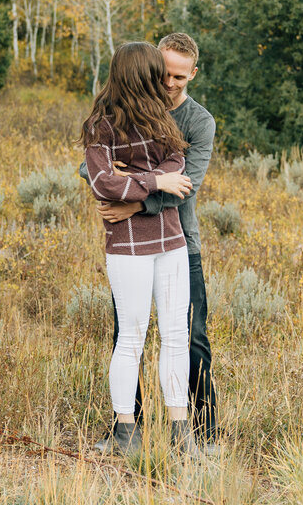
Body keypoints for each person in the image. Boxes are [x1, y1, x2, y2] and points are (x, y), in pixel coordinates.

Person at [84, 33, 219, 454]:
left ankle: (202, 432)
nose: (170, 83)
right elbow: (94, 172)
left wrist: (133, 200)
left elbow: (186, 183)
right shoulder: (117, 113)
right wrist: (135, 184)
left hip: (181, 239)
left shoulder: (198, 121)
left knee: (191, 337)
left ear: (192, 74)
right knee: (129, 334)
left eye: (180, 76)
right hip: (130, 244)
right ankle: (127, 427)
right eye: (164, 74)